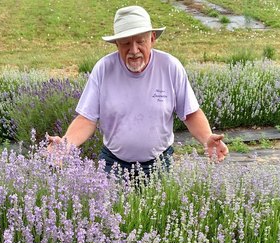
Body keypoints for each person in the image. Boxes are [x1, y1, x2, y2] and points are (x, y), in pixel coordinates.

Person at [48, 5, 228, 175]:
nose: (134, 50)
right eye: (126, 43)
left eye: (140, 41)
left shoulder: (170, 67)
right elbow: (87, 118)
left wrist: (207, 138)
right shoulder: (103, 69)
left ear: (152, 39)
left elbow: (190, 113)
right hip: (113, 164)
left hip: (158, 163)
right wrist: (66, 144)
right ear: (117, 44)